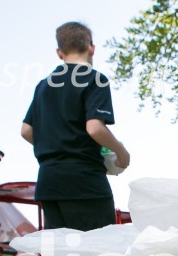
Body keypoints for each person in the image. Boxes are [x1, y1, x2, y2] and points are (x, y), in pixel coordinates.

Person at [21, 21, 130, 231]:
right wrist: (121, 152)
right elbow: (95, 128)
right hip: (85, 182)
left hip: (49, 182)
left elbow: (26, 131)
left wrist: (56, 143)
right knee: (100, 253)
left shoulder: (43, 86)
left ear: (59, 52)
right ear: (91, 47)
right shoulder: (95, 79)